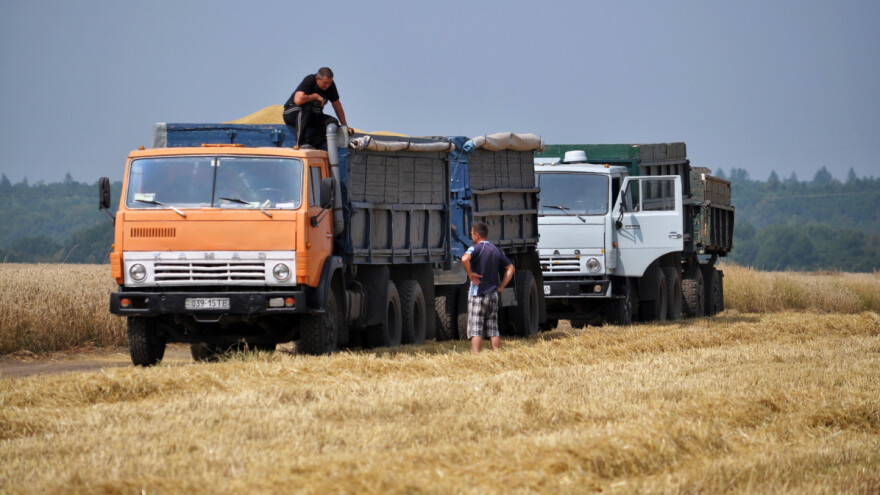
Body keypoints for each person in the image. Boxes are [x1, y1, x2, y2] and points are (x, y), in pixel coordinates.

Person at [461, 221, 515, 353]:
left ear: (477, 236)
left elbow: (464, 259)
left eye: (472, 234)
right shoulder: (496, 250)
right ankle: (497, 355)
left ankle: (476, 356)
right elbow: (510, 268)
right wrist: (501, 286)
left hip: (478, 294)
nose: (471, 236)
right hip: (493, 294)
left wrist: (470, 273)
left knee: (476, 329)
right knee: (493, 329)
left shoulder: (476, 248)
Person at [282, 67, 350, 149]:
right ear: (318, 78)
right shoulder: (310, 80)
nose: (327, 85)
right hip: (292, 114)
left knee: (332, 121)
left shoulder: (331, 86)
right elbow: (298, 100)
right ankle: (300, 142)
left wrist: (345, 126)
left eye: (330, 83)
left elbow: (337, 106)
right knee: (307, 106)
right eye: (325, 83)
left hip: (311, 116)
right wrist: (315, 96)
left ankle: (312, 144)